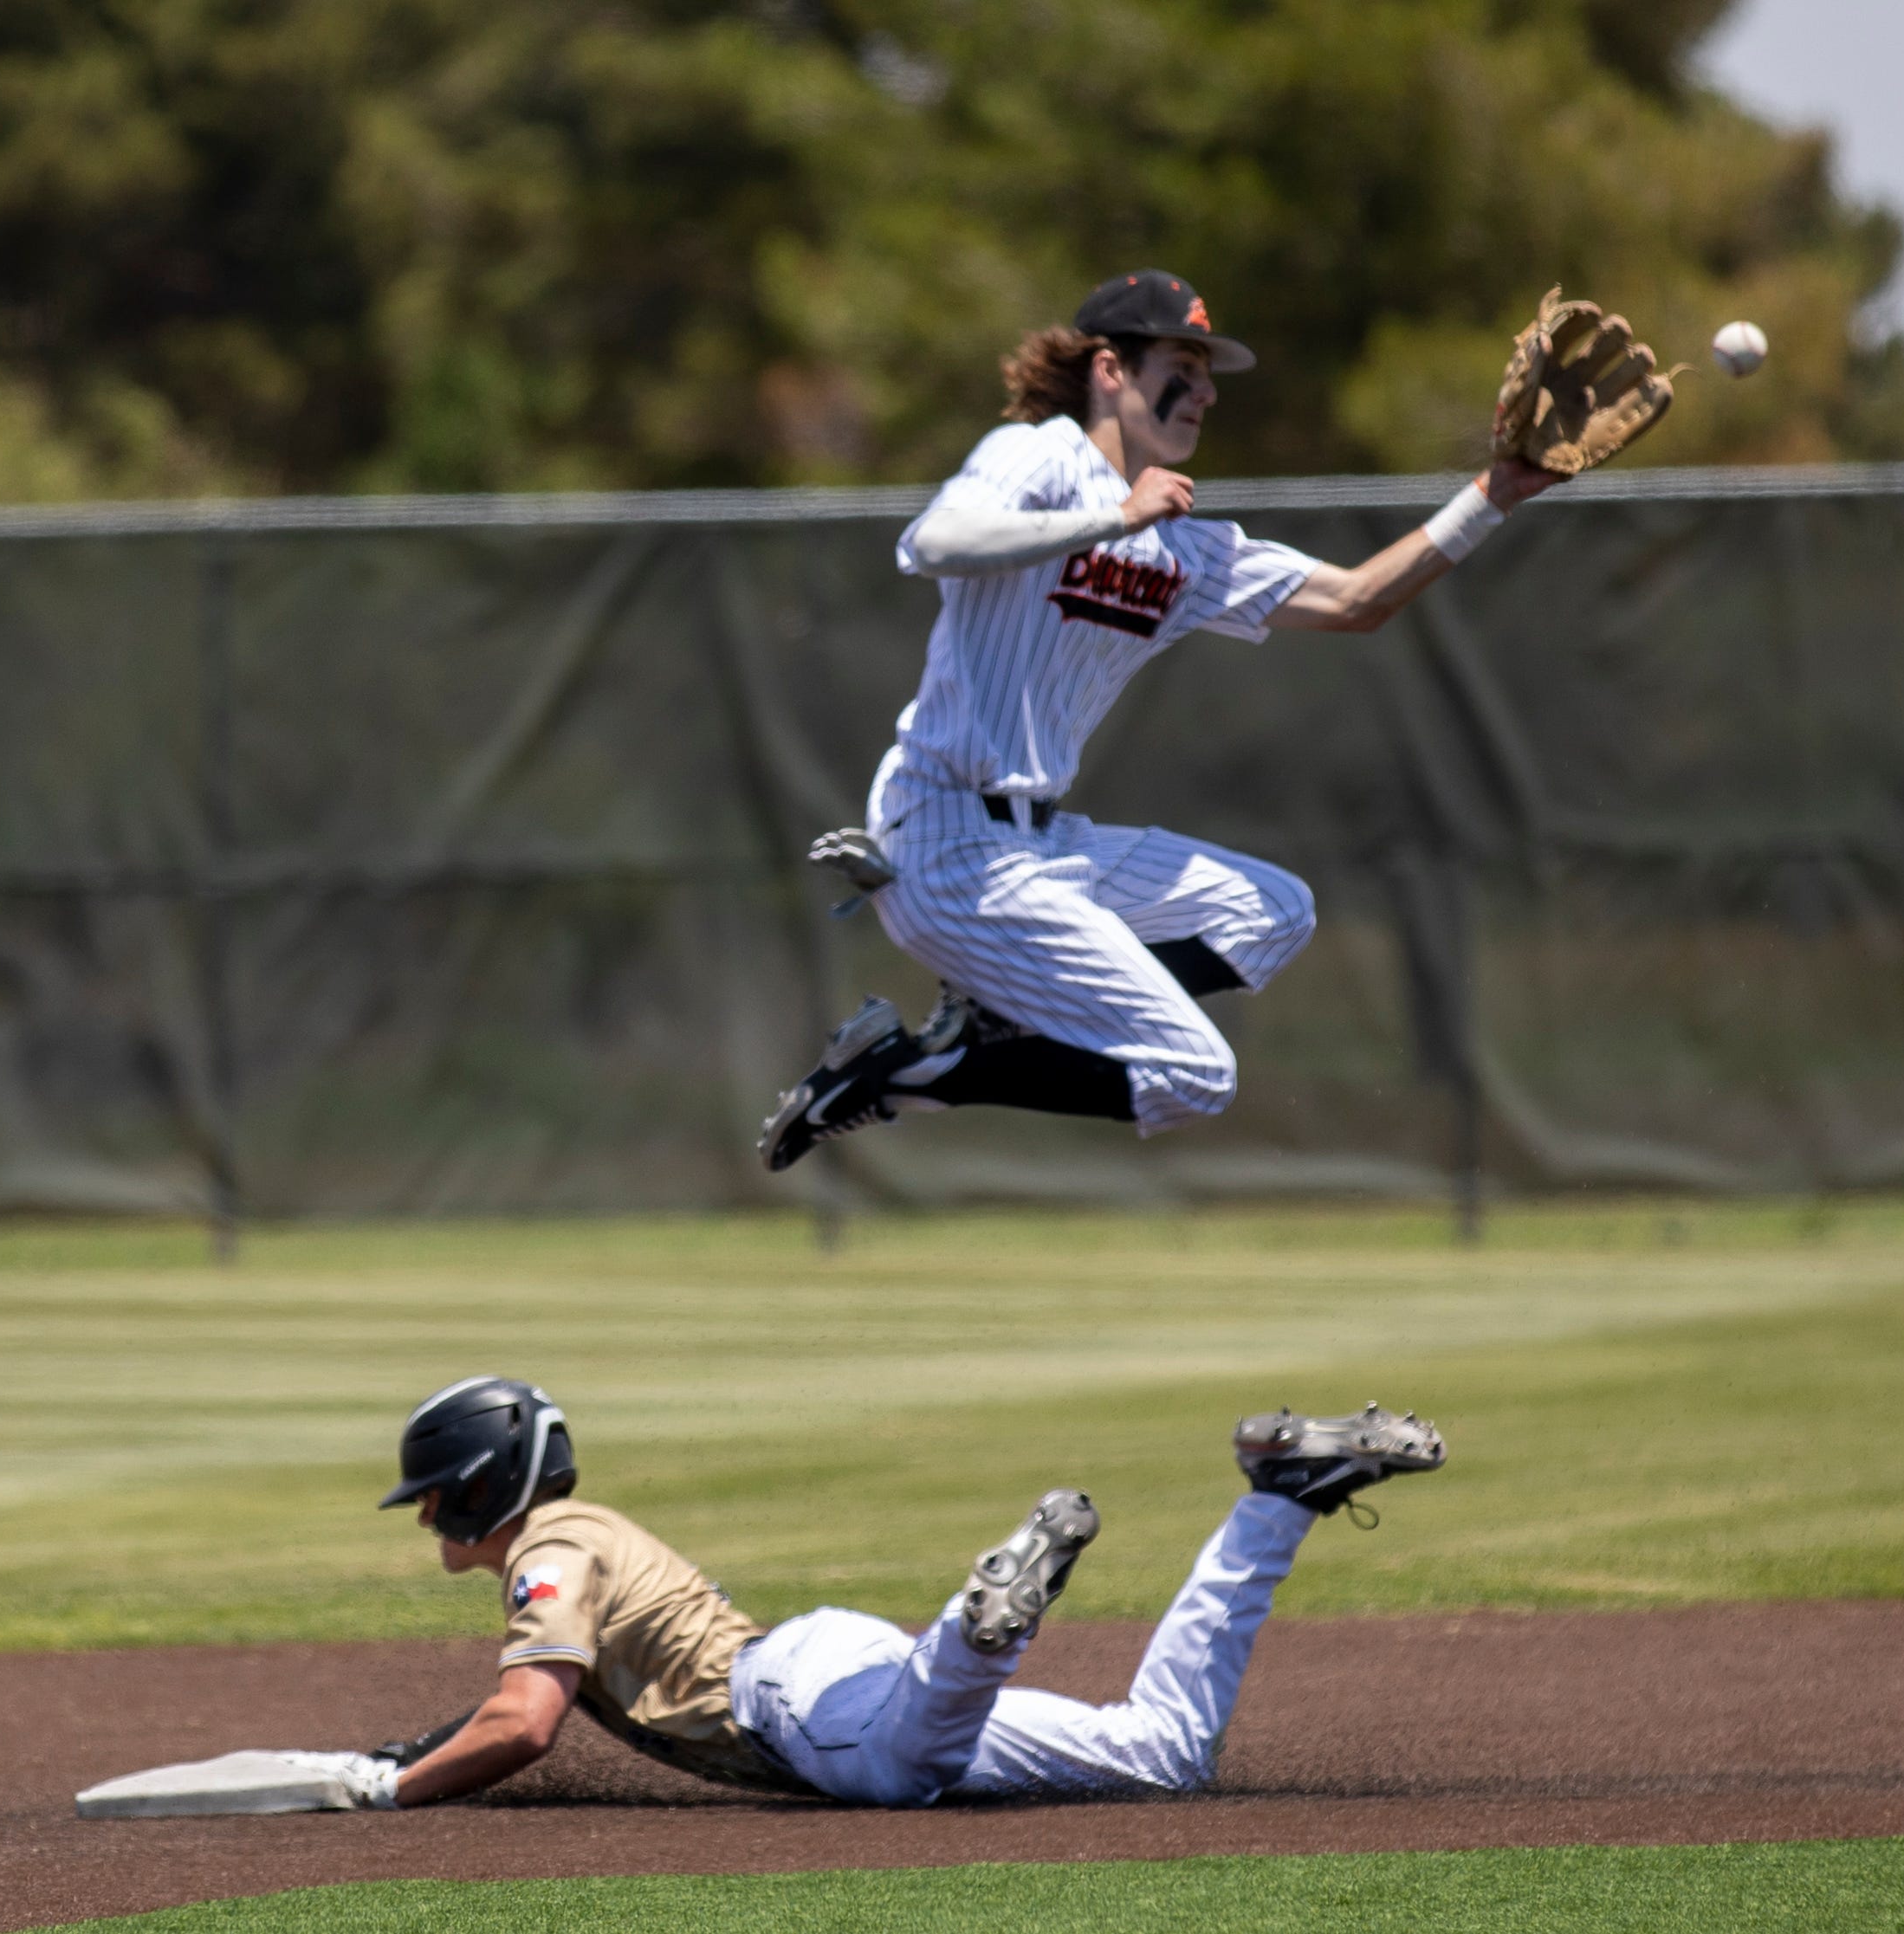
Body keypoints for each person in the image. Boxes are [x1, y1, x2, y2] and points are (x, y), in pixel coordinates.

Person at [756, 268, 1566, 1172]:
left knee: (1270, 911)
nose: (1208, 388)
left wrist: (1495, 493)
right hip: (947, 836)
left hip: (1037, 847)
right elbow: (932, 543)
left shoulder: (1177, 546)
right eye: (1185, 361)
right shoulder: (1042, 454)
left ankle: (997, 1017)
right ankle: (914, 1072)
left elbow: (1356, 600)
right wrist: (1108, 514)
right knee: (1193, 1073)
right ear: (1110, 368)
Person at [280, 1374, 1445, 1809]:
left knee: (896, 1772)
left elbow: (523, 1723)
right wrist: (418, 1750)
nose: (426, 1514)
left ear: (484, 1487)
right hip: (835, 1674)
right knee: (1158, 1753)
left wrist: (394, 1792)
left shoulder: (547, 1551)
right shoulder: (574, 1537)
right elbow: (499, 1715)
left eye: (433, 1494)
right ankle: (1280, 1499)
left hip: (799, 1698)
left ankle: (979, 1624)